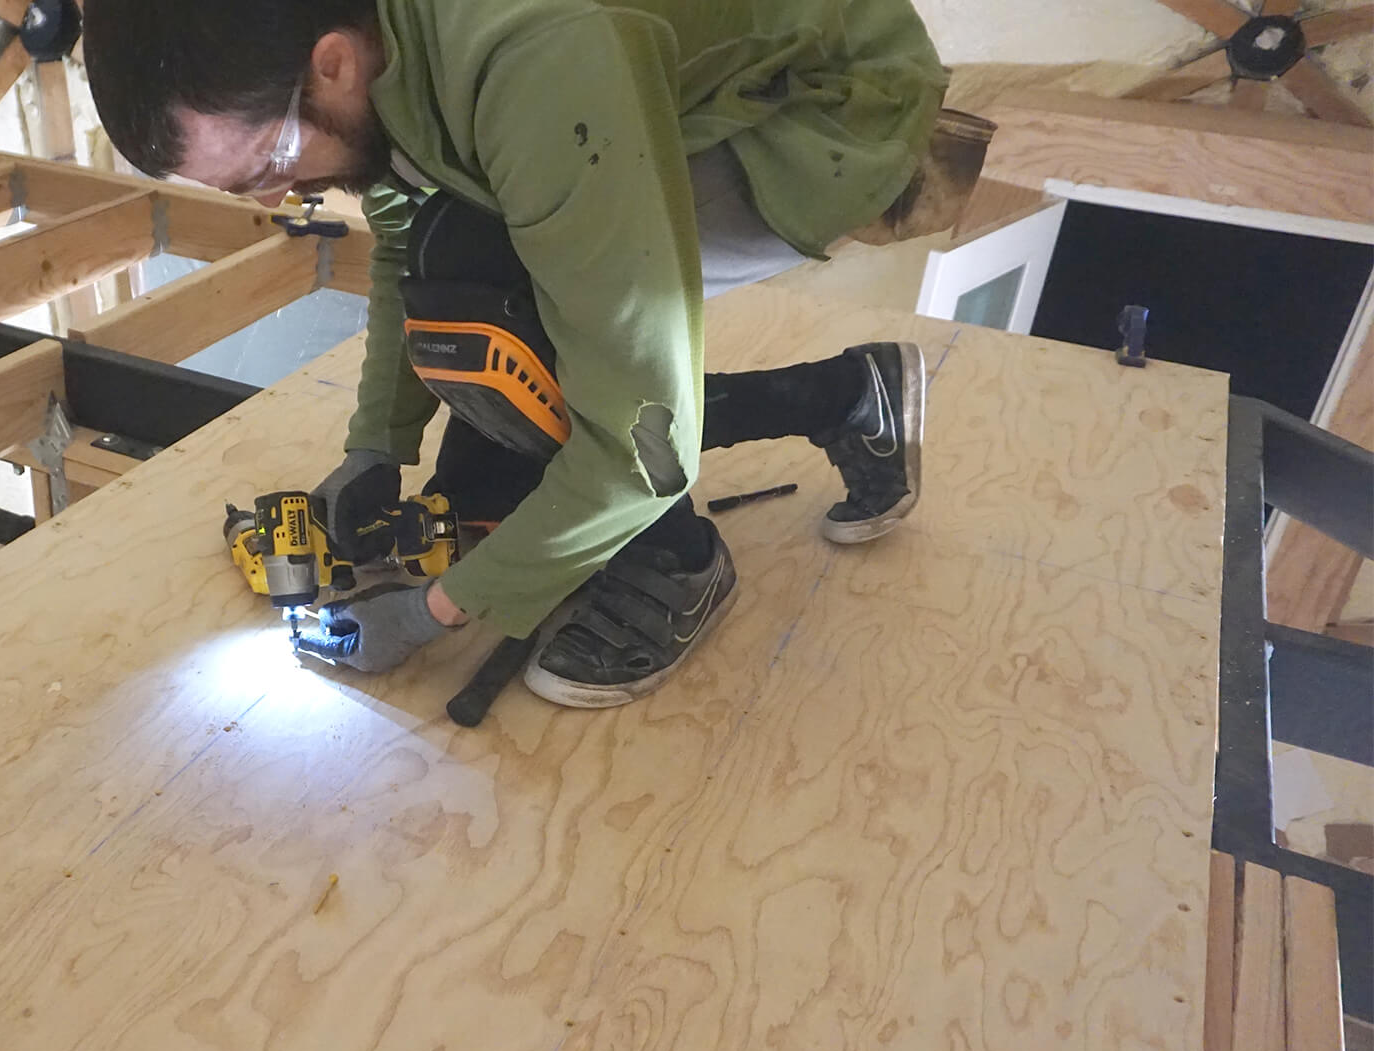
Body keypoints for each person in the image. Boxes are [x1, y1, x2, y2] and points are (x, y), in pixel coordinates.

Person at [84, 0, 958, 707]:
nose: (281, 194)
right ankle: (849, 397)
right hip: (634, 87)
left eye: (267, 164)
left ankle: (679, 565)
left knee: (506, 317)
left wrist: (438, 612)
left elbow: (636, 448)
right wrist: (376, 446)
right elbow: (401, 242)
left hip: (826, 110)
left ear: (334, 63)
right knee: (462, 278)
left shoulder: (533, 61)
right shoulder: (378, 50)